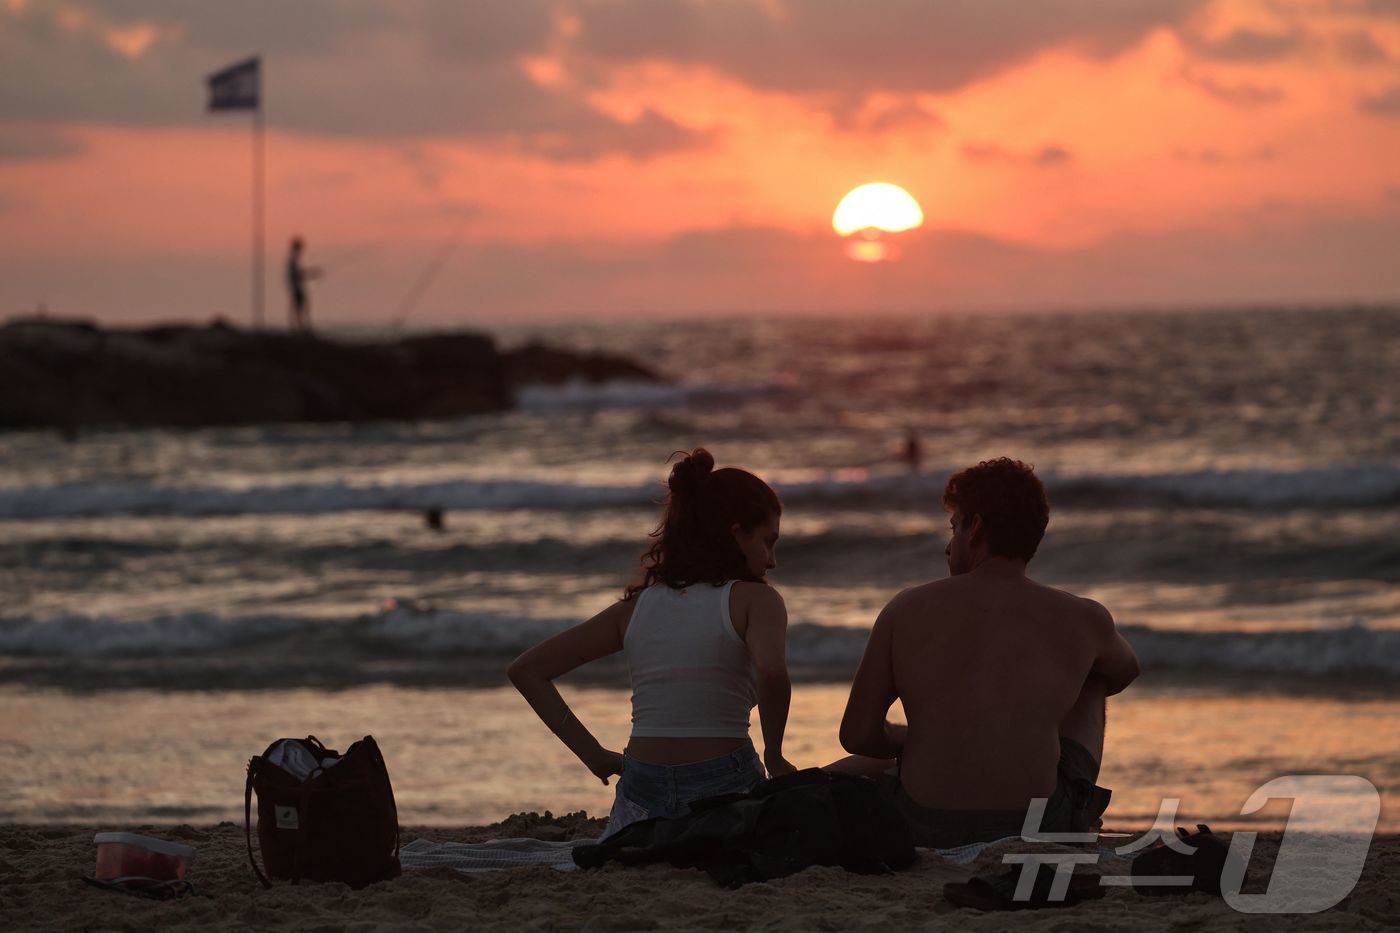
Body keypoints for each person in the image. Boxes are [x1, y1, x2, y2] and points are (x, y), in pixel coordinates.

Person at [833, 457, 1139, 848]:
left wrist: (922, 738)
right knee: (1095, 673)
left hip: (924, 822)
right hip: (1037, 823)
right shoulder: (1083, 617)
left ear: (974, 528)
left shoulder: (905, 608)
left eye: (952, 527)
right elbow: (1125, 670)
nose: (948, 547)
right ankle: (1076, 809)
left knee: (866, 768)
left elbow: (857, 734)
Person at [508, 449, 796, 836]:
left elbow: (527, 671)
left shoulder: (636, 609)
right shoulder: (757, 600)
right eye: (768, 541)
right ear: (737, 533)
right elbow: (773, 674)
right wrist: (775, 756)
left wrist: (594, 756)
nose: (773, 560)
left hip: (640, 792)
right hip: (723, 786)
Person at [285, 236, 322, 332]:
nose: (301, 250)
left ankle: (299, 329)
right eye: (300, 248)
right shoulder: (292, 261)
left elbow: (299, 274)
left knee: (299, 309)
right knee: (300, 310)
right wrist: (313, 273)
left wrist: (311, 273)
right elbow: (299, 275)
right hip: (297, 289)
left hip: (296, 289)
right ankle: (301, 330)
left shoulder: (293, 261)